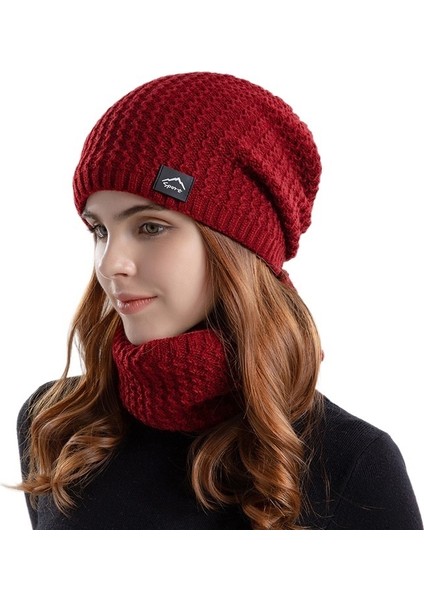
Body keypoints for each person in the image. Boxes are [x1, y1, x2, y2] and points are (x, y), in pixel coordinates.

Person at [17, 72, 422, 530]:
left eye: (150, 226)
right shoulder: (55, 425)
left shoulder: (353, 464)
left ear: (236, 245)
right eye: (99, 230)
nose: (110, 264)